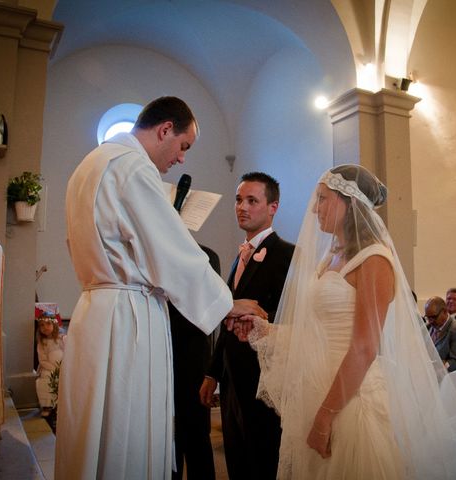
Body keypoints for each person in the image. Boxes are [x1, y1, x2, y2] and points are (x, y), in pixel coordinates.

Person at [236, 164, 456, 479]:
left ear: (349, 203)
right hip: (318, 386)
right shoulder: (330, 257)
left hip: (350, 400)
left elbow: (364, 346)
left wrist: (326, 416)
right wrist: (264, 328)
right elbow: (317, 330)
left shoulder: (374, 259)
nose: (315, 208)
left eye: (323, 199)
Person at [58, 96, 265, 480]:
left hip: (96, 309)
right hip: (127, 318)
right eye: (183, 146)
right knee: (126, 430)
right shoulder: (133, 168)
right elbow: (171, 249)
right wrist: (228, 304)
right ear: (165, 129)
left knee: (94, 431)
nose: (182, 158)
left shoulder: (91, 165)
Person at [199, 172, 294, 480]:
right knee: (236, 458)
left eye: (252, 200)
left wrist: (260, 321)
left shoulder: (288, 255)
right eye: (239, 200)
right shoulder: (238, 258)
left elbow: (291, 317)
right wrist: (213, 372)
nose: (242, 207)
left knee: (263, 459)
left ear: (273, 207)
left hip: (263, 379)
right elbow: (225, 320)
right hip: (231, 379)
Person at [169, 244, 220, 480]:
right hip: (162, 360)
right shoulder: (157, 254)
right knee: (168, 441)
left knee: (197, 438)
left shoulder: (206, 256)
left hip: (194, 362)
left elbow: (209, 313)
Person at [425, 296, 456, 371]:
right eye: (428, 317)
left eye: (433, 317)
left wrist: (435, 365)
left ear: (444, 311)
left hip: (447, 377)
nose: (430, 321)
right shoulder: (428, 327)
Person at [35, 313, 66, 417]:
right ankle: (47, 405)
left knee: (64, 379)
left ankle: (59, 404)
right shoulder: (42, 343)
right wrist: (54, 369)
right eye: (42, 325)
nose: (45, 327)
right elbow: (42, 360)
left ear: (55, 324)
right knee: (45, 378)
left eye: (48, 324)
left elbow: (68, 352)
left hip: (63, 366)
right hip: (48, 367)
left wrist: (62, 367)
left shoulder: (62, 339)